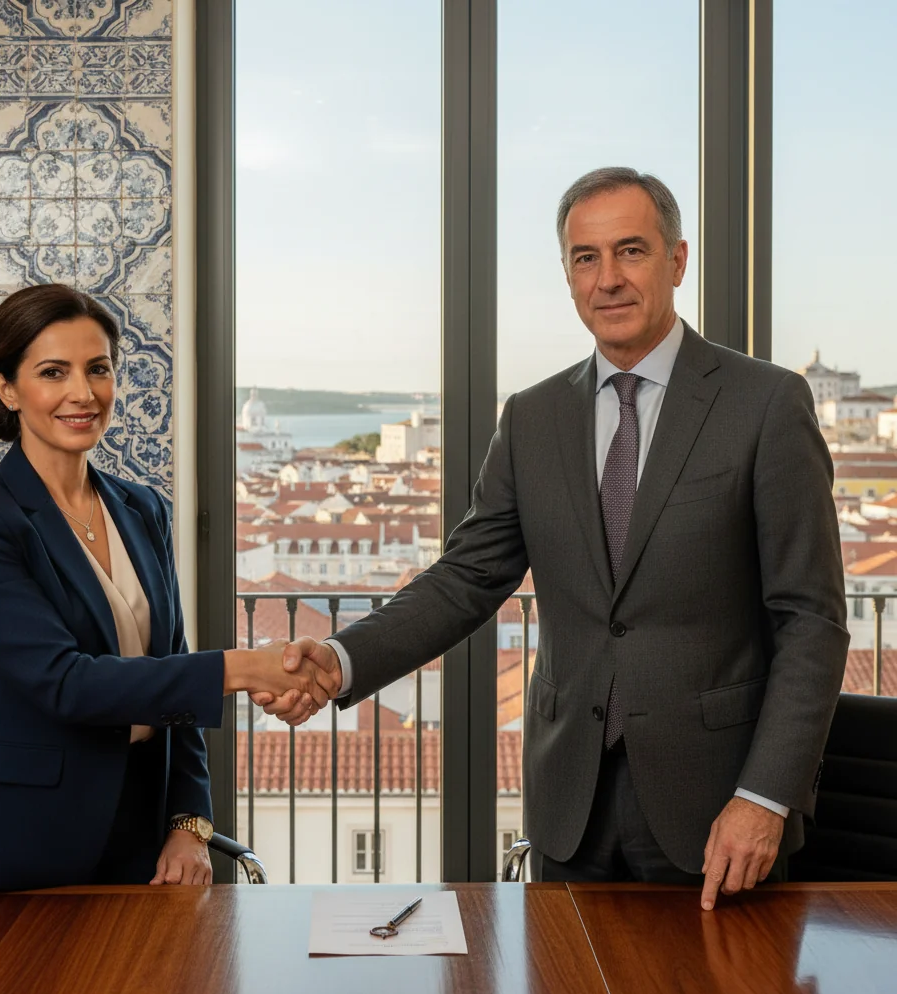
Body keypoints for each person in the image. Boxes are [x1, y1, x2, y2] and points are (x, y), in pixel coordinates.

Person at [263, 167, 850, 909]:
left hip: (721, 811)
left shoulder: (765, 403)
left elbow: (812, 621)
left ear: (677, 260)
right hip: (569, 807)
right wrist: (341, 659)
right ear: (568, 276)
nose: (607, 279)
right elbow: (465, 580)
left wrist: (765, 798)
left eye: (631, 251)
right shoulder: (532, 417)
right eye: (585, 258)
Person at [0, 284, 326, 890]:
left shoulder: (142, 509)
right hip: (19, 852)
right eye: (53, 372)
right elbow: (66, 683)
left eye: (99, 369)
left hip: (144, 843)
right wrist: (243, 668)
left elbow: (174, 671)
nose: (83, 393)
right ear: (6, 388)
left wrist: (188, 823)